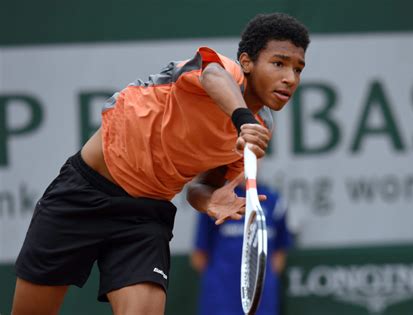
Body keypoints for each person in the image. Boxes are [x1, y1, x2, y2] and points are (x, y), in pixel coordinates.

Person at [11, 12, 309, 315]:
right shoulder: (224, 71)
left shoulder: (260, 128)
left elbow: (202, 187)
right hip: (83, 192)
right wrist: (242, 119)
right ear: (247, 62)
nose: (290, 78)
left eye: (298, 69)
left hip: (144, 216)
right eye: (279, 63)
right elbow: (212, 76)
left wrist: (210, 201)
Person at [191, 182, 292, 315]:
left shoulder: (274, 200)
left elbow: (280, 252)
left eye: (256, 160)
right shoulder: (217, 200)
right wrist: (220, 282)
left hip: (262, 300)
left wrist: (262, 281)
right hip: (220, 298)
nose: (247, 163)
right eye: (241, 160)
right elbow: (199, 256)